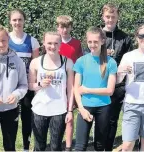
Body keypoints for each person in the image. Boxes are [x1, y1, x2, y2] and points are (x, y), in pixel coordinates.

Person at [28, 31, 74, 151]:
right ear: (44, 43)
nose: (52, 46)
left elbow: (71, 88)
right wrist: (40, 84)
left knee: (56, 146)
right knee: (39, 146)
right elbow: (29, 85)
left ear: (60, 44)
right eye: (49, 43)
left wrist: (69, 111)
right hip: (39, 109)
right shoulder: (36, 62)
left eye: (56, 43)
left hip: (59, 110)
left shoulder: (67, 62)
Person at [73, 27, 117, 151]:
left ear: (102, 41)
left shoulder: (111, 62)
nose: (92, 45)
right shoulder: (81, 61)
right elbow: (76, 88)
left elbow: (109, 91)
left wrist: (87, 90)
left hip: (104, 107)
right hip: (85, 106)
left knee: (99, 145)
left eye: (95, 42)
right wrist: (81, 109)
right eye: (90, 42)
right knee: (80, 146)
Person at [98, 4, 133, 151]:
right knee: (99, 119)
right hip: (98, 83)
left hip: (118, 86)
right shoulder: (96, 35)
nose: (110, 19)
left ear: (117, 17)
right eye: (107, 16)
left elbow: (130, 59)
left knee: (112, 119)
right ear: (103, 17)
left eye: (113, 17)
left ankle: (108, 147)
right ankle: (98, 147)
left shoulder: (125, 38)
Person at [8, 9, 40, 151]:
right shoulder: (5, 39)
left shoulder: (32, 41)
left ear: (24, 21)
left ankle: (26, 147)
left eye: (20, 19)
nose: (17, 22)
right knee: (11, 118)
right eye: (14, 20)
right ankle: (11, 147)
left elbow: (36, 65)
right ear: (10, 21)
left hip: (26, 86)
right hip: (10, 86)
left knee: (27, 118)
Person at [55, 15, 83, 151]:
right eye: (61, 27)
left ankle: (68, 147)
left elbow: (80, 64)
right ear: (57, 27)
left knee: (70, 114)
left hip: (71, 83)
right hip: (57, 84)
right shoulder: (54, 42)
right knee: (58, 116)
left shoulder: (76, 44)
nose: (64, 30)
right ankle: (57, 142)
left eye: (66, 27)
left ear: (71, 27)